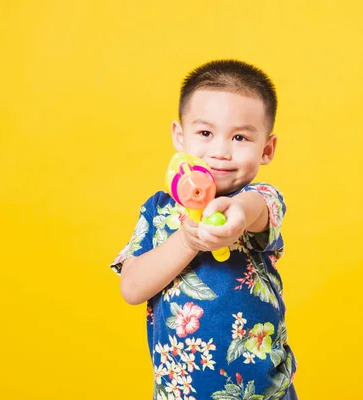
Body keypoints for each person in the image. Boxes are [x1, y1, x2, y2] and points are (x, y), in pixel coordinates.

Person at [111, 59, 297, 400]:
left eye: (240, 137)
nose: (220, 152)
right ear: (180, 136)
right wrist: (186, 240)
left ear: (266, 149)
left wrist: (235, 216)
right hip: (179, 394)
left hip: (267, 392)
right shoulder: (158, 210)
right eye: (205, 133)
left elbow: (254, 210)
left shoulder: (259, 199)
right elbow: (132, 288)